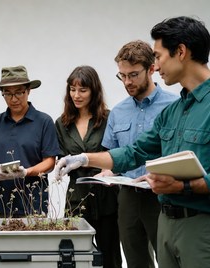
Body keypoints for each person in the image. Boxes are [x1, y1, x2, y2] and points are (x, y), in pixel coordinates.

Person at [54, 16, 210, 268]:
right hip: (167, 221)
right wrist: (85, 158)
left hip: (200, 224)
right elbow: (134, 152)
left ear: (180, 52)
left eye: (158, 57)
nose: (156, 66)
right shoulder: (173, 112)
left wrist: (182, 186)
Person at [101, 40, 178, 268]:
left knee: (167, 259)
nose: (127, 82)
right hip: (128, 195)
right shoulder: (118, 112)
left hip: (163, 195)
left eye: (133, 74)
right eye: (122, 76)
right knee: (135, 260)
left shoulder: (174, 106)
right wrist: (107, 171)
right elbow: (112, 155)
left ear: (152, 68)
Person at [55, 66, 121, 268]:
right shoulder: (62, 123)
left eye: (82, 90)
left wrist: (112, 170)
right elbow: (61, 157)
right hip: (76, 197)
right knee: (75, 256)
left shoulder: (109, 118)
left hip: (106, 196)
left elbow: (119, 154)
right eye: (72, 89)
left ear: (94, 91)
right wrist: (60, 166)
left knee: (109, 254)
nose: (76, 95)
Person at [0, 65, 60, 217]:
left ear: (28, 90)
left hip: (33, 201)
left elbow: (50, 161)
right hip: (1, 200)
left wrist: (26, 172)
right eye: (8, 94)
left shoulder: (44, 122)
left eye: (19, 92)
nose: (14, 99)